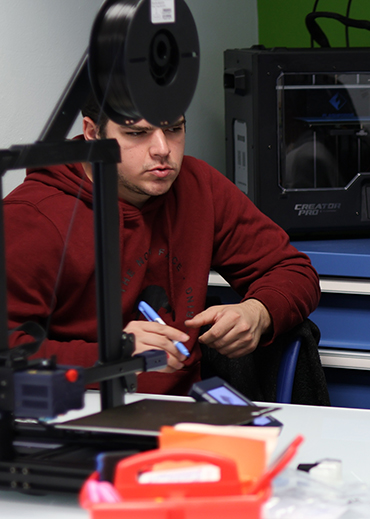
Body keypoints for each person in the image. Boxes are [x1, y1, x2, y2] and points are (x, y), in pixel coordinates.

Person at [2, 95, 321, 395]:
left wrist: (258, 312)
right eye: (137, 133)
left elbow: (292, 269)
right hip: (80, 412)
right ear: (91, 132)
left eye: (174, 129)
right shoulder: (34, 217)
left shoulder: (199, 187)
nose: (162, 149)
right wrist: (113, 355)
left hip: (184, 413)